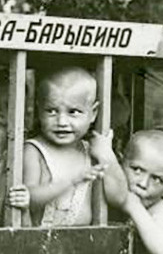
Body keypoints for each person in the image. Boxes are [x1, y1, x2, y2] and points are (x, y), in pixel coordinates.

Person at [23, 65, 121, 227]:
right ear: (39, 111)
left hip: (85, 242)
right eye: (52, 111)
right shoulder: (34, 150)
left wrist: (107, 155)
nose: (62, 122)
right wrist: (71, 181)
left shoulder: (91, 150)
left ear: (93, 113)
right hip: (40, 243)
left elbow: (118, 198)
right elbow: (29, 199)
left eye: (73, 112)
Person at [103, 129, 163, 254]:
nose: (143, 184)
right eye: (137, 170)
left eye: (157, 179)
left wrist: (133, 206)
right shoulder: (102, 189)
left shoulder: (158, 208)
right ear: (120, 163)